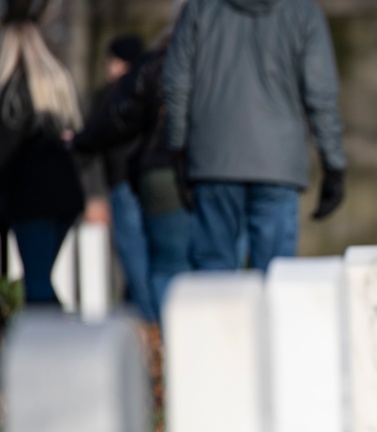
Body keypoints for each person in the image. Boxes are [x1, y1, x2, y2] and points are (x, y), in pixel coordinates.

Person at [162, 0, 347, 272]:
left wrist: (178, 148)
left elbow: (176, 83)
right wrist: (334, 164)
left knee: (213, 270)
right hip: (278, 163)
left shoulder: (200, 9)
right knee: (275, 273)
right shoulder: (304, 13)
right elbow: (321, 95)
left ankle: (218, 316)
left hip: (214, 158)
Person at [72, 9, 193, 323]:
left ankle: (157, 337)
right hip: (200, 174)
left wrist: (79, 144)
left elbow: (106, 132)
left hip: (142, 180)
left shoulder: (135, 81)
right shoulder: (214, 63)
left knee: (152, 267)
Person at [0, 3, 85, 305]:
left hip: (31, 199)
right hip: (65, 196)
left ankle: (51, 346)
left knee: (36, 283)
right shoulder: (55, 83)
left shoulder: (11, 93)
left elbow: (6, 153)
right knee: (41, 276)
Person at [83, 34, 156, 321]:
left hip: (122, 184)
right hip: (153, 183)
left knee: (133, 260)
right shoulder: (155, 87)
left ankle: (149, 324)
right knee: (153, 260)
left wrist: (93, 194)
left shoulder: (110, 96)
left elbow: (90, 143)